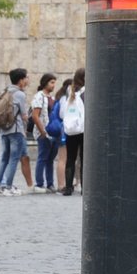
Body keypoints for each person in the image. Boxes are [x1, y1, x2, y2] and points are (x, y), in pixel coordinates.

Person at [0, 69, 31, 196]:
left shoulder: (5, 92)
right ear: (21, 80)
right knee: (13, 159)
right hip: (16, 130)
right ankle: (8, 187)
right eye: (26, 78)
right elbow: (24, 115)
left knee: (3, 158)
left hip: (4, 130)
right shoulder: (20, 94)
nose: (27, 80)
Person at [32, 73, 61, 191]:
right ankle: (39, 183)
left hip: (53, 132)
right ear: (45, 83)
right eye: (51, 82)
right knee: (42, 157)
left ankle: (50, 183)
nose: (54, 85)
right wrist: (42, 131)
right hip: (43, 132)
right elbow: (35, 115)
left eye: (54, 82)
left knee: (50, 159)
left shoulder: (52, 98)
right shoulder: (39, 96)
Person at [59, 68, 86, 196]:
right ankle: (85, 188)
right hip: (83, 129)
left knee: (70, 158)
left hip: (70, 130)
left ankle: (68, 187)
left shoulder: (69, 91)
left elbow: (62, 112)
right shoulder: (86, 92)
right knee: (84, 158)